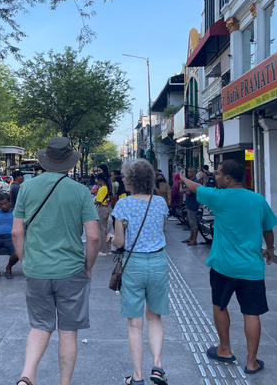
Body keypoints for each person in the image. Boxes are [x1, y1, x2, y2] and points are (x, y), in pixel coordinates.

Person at [11, 137, 99, 385]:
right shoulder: (81, 192)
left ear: (45, 161)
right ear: (69, 164)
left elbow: (16, 232)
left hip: (37, 270)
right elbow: (93, 237)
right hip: (71, 270)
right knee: (68, 333)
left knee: (40, 326)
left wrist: (25, 260)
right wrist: (88, 267)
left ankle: (27, 376)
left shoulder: (26, 188)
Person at [179, 159, 277, 375]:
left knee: (220, 306)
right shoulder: (258, 199)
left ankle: (224, 349)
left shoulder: (220, 198)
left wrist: (183, 177)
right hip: (251, 267)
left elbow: (197, 188)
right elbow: (268, 229)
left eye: (218, 173)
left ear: (228, 178)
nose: (215, 176)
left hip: (224, 266)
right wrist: (270, 249)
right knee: (252, 313)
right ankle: (252, 362)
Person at [108, 159, 169, 385]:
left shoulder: (122, 205)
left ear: (132, 180)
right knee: (155, 317)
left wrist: (112, 238)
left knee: (135, 324)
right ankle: (158, 366)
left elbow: (120, 243)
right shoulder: (160, 203)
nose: (123, 180)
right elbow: (160, 230)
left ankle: (137, 377)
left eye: (125, 177)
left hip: (133, 265)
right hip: (158, 262)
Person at [181, 167, 201, 246]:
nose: (188, 173)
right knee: (191, 222)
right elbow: (182, 191)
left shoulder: (195, 182)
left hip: (193, 205)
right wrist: (186, 190)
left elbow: (189, 192)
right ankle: (190, 237)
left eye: (190, 172)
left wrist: (187, 190)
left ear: (194, 172)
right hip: (189, 204)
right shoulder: (190, 182)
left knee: (193, 222)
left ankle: (194, 239)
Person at [94, 173, 112, 255]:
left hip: (102, 208)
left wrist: (93, 202)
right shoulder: (108, 188)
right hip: (107, 208)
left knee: (101, 230)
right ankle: (108, 249)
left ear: (100, 180)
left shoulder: (101, 189)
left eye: (97, 180)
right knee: (105, 230)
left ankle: (102, 249)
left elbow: (99, 200)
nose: (96, 182)